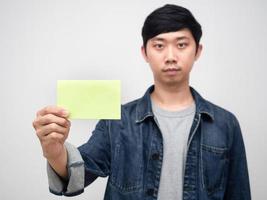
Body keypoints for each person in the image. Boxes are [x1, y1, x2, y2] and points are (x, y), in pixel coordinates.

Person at [32, 4, 251, 200]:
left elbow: (239, 193)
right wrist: (54, 151)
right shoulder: (117, 122)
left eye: (182, 44)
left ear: (198, 51)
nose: (171, 56)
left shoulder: (225, 124)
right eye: (159, 45)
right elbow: (80, 173)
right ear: (144, 52)